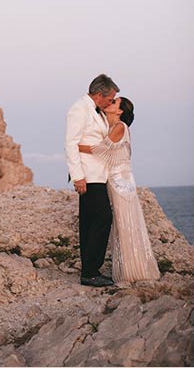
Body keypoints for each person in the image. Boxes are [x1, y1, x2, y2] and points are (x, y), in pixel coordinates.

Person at [78, 97, 160, 283]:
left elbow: (101, 150)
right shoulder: (110, 127)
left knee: (127, 223)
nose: (109, 102)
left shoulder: (120, 127)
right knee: (122, 224)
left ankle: (135, 271)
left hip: (121, 182)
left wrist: (75, 146)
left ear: (120, 110)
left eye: (114, 102)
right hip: (114, 180)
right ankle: (129, 268)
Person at [65, 74, 120, 287]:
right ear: (99, 94)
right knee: (102, 218)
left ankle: (89, 271)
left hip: (98, 175)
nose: (111, 102)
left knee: (89, 222)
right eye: (110, 98)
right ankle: (91, 271)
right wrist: (78, 176)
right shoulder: (79, 109)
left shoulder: (94, 110)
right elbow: (71, 143)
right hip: (88, 176)